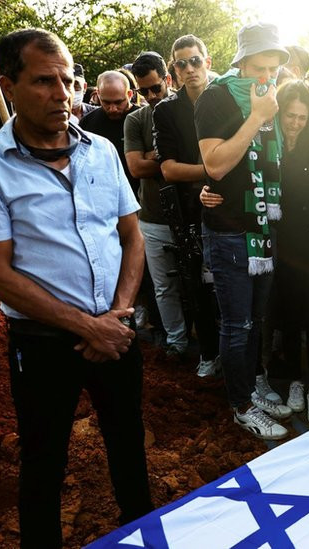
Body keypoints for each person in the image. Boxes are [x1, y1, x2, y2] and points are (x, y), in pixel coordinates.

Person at [0, 28, 152, 548]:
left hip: (118, 332)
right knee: (44, 460)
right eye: (44, 81)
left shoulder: (102, 152)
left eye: (68, 79)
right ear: (9, 86)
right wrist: (88, 326)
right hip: (43, 346)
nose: (63, 93)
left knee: (129, 446)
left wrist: (118, 317)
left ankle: (149, 534)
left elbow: (132, 238)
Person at [196, 22, 293, 439]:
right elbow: (215, 164)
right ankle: (240, 406)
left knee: (256, 319)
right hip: (230, 231)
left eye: (273, 68)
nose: (267, 77)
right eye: (259, 68)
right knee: (237, 325)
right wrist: (256, 118)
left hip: (262, 228)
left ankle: (253, 386)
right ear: (241, 64)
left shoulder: (270, 96)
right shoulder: (216, 98)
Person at [266, 81, 309, 423]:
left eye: (302, 117)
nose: (295, 122)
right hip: (286, 242)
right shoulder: (269, 143)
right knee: (291, 316)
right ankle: (295, 381)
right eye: (290, 116)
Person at [152, 34, 220, 377]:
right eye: (181, 63)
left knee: (233, 282)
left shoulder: (227, 98)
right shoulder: (165, 110)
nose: (189, 69)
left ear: (207, 62)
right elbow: (168, 169)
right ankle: (208, 351)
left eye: (195, 61)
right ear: (173, 71)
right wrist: (215, 169)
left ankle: (252, 364)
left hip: (229, 205)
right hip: (188, 210)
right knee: (197, 284)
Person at [124, 50, 194, 359]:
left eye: (156, 88)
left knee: (200, 282)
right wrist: (168, 159)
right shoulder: (135, 118)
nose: (151, 96)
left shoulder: (188, 106)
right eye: (144, 91)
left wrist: (156, 156)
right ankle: (177, 343)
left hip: (192, 209)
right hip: (152, 214)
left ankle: (206, 343)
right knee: (164, 285)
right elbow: (136, 168)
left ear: (167, 79)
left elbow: (197, 159)